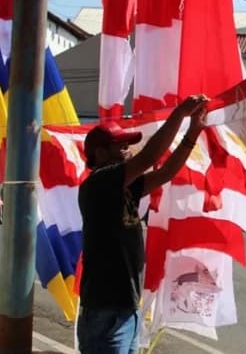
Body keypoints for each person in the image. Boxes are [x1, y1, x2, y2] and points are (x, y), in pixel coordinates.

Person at [76, 94, 209, 353]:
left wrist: (193, 133)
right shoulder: (99, 183)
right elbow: (149, 158)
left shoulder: (123, 187)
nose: (128, 150)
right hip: (106, 313)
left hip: (125, 309)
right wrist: (180, 114)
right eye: (121, 146)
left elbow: (165, 173)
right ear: (101, 154)